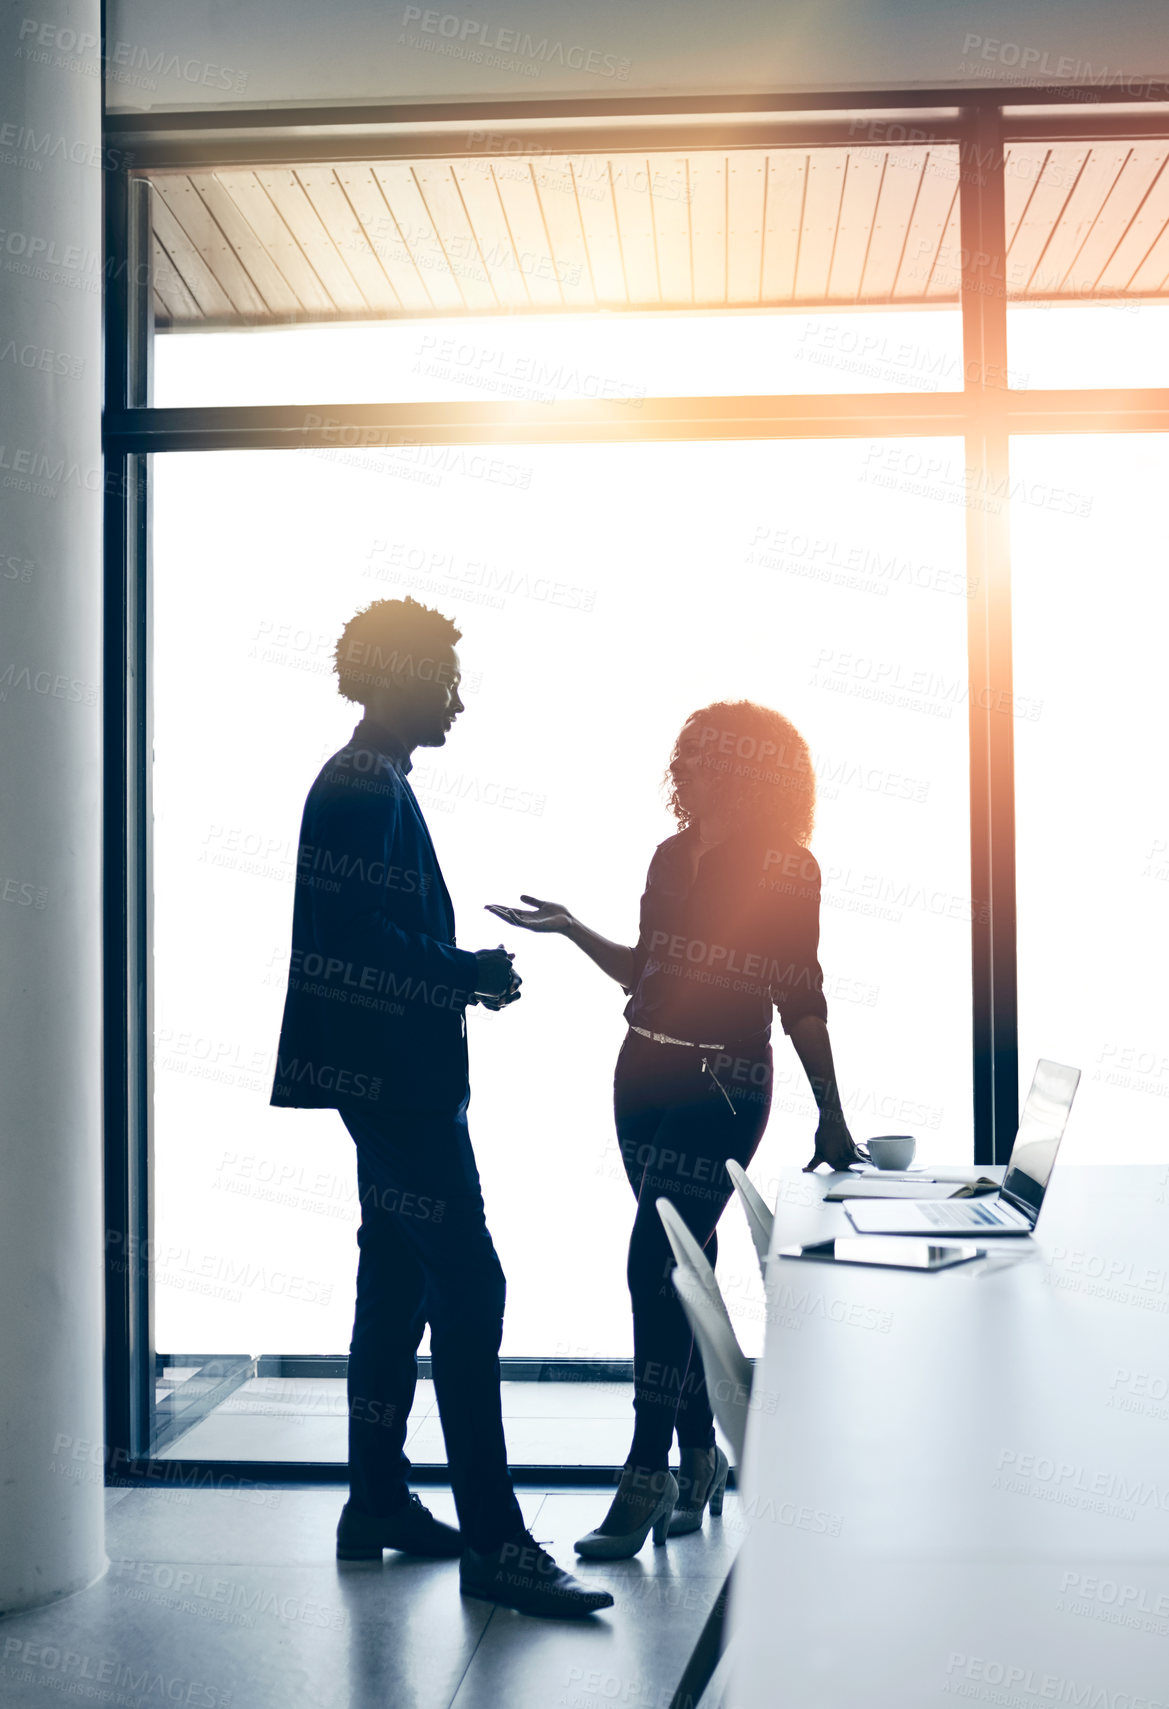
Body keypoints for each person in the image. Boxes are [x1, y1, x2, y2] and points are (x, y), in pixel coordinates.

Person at [269, 595, 612, 1619]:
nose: (457, 703)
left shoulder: (365, 779)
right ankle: (497, 1543)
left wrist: (460, 974)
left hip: (389, 1083)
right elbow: (354, 943)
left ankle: (376, 1497)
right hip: (400, 1088)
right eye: (445, 680)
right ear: (403, 677)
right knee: (472, 1283)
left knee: (395, 1280)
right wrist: (465, 969)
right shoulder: (360, 785)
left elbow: (357, 936)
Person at [488, 700, 865, 1558]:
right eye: (686, 755)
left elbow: (798, 994)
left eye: (703, 758)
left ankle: (645, 1469)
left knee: (648, 1262)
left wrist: (833, 1112)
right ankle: (699, 1457)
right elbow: (643, 965)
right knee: (681, 1270)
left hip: (723, 1085)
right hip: (641, 1071)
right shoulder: (668, 855)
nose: (684, 769)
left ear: (745, 771)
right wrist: (572, 929)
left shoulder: (785, 866)